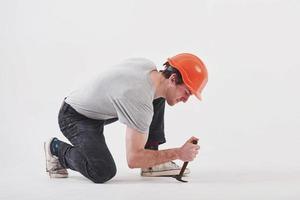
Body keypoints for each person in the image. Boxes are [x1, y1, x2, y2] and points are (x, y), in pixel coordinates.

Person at [44, 53, 208, 183]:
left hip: (97, 108)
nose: (186, 100)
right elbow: (133, 159)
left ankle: (151, 163)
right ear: (173, 79)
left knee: (158, 96)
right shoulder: (139, 100)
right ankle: (56, 149)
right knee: (102, 171)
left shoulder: (149, 68)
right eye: (186, 92)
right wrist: (178, 153)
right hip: (74, 117)